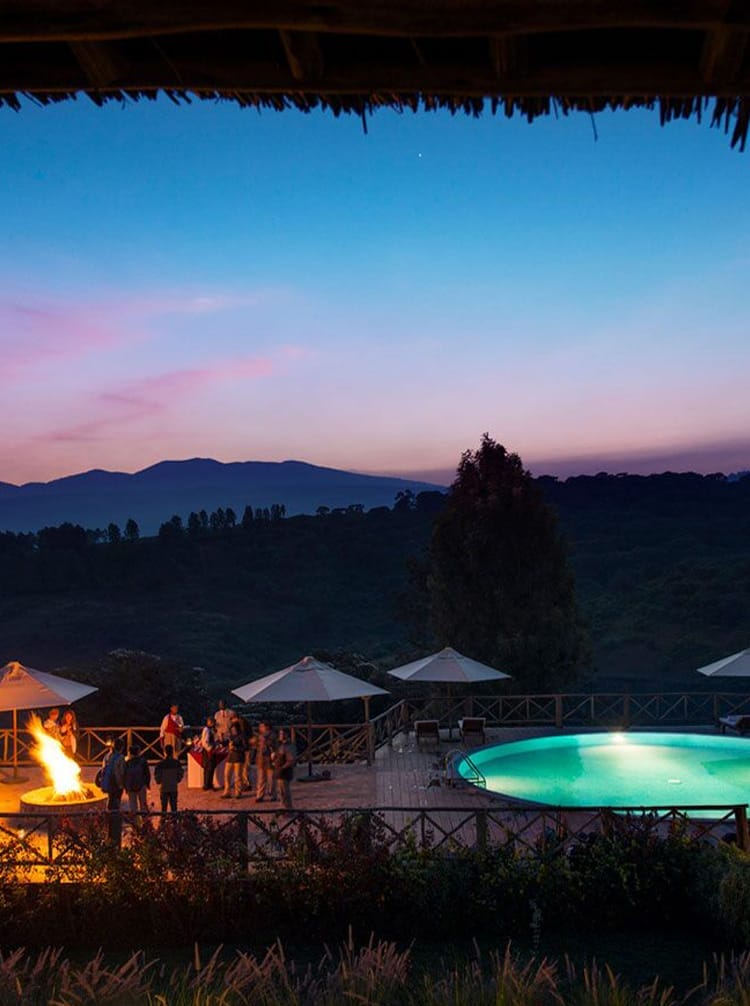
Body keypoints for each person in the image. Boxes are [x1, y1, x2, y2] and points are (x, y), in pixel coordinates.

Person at [100, 737, 126, 843]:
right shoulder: (120, 757)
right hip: (116, 784)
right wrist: (121, 784)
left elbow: (103, 769)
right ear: (121, 747)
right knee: (116, 802)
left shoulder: (107, 756)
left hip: (109, 783)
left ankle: (109, 824)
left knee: (110, 800)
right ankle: (114, 827)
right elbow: (120, 772)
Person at [123, 743, 151, 819]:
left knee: (133, 806)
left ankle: (135, 822)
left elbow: (124, 775)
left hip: (130, 787)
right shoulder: (143, 762)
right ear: (138, 752)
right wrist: (147, 784)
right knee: (143, 805)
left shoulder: (127, 763)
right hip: (141, 785)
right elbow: (147, 774)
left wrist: (126, 787)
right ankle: (145, 821)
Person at [154, 743, 183, 814]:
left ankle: (163, 820)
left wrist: (159, 781)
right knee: (174, 807)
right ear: (172, 751)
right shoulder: (176, 763)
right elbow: (180, 774)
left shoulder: (160, 764)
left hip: (164, 787)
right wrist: (177, 780)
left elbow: (157, 776)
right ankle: (174, 819)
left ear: (165, 752)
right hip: (173, 786)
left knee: (164, 807)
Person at [221, 722, 246, 799]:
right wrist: (222, 738)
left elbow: (245, 747)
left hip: (238, 758)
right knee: (227, 775)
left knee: (237, 776)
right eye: (232, 730)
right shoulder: (231, 737)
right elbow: (224, 744)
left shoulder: (241, 737)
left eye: (234, 729)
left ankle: (238, 792)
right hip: (230, 757)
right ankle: (227, 791)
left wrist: (236, 748)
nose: (233, 731)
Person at [273, 728, 297, 810]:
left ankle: (288, 808)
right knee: (281, 791)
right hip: (280, 771)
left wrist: (282, 768)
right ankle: (284, 807)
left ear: (286, 735)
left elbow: (291, 760)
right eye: (280, 734)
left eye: (282, 734)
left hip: (284, 771)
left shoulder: (289, 746)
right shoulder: (280, 745)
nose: (280, 736)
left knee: (285, 791)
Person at [254, 722, 277, 802]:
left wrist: (265, 741)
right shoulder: (260, 736)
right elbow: (257, 746)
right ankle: (260, 795)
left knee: (271, 778)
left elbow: (274, 745)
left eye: (261, 726)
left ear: (266, 727)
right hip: (261, 759)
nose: (260, 728)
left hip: (269, 759)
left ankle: (272, 795)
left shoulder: (272, 735)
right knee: (261, 778)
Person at [200, 716, 218, 790]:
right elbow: (205, 741)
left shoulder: (210, 730)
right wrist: (209, 749)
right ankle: (207, 784)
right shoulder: (206, 730)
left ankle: (209, 784)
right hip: (208, 751)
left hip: (209, 750)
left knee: (211, 767)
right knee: (208, 768)